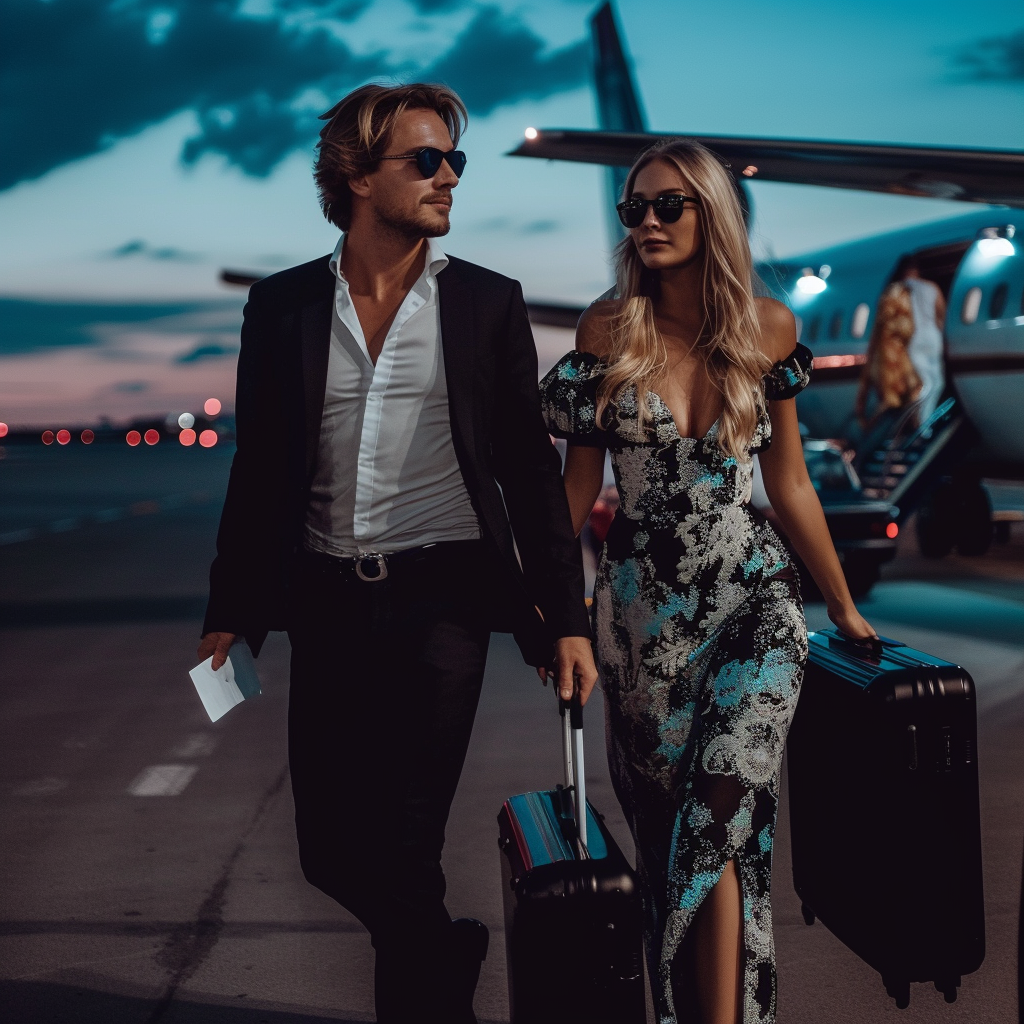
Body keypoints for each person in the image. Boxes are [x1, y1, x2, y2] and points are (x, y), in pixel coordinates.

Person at [198, 83, 597, 1024]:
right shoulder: (284, 306)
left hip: (443, 599)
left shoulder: (486, 305)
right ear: (356, 176)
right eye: (426, 160)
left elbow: (528, 474)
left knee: (408, 842)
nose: (450, 176)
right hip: (329, 602)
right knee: (329, 850)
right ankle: (443, 949)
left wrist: (565, 618)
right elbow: (259, 473)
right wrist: (231, 610)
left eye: (455, 160)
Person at [539, 139, 875, 1024]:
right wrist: (542, 603)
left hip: (754, 602)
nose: (646, 221)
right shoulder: (605, 331)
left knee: (719, 803)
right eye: (633, 208)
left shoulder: (768, 329)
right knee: (681, 840)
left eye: (668, 206)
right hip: (643, 623)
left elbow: (790, 483)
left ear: (712, 215)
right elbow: (578, 488)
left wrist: (840, 604)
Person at [854, 279, 921, 429]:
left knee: (898, 399)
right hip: (893, 366)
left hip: (895, 366)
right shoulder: (894, 331)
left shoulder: (886, 332)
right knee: (896, 400)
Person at [900, 257, 947, 425]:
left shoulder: (899, 290)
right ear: (916, 271)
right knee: (936, 382)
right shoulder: (931, 287)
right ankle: (925, 421)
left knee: (922, 382)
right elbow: (941, 314)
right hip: (932, 336)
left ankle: (919, 420)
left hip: (913, 338)